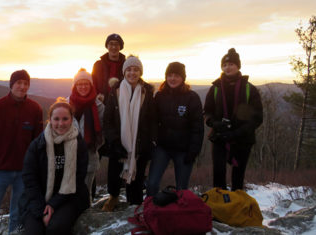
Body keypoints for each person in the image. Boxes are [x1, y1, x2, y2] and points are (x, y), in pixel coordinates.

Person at [0, 69, 43, 234]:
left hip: (24, 173)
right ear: (11, 85)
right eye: (19, 83)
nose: (22, 87)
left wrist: (34, 168)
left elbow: (38, 143)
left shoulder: (35, 109)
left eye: (25, 84)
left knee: (18, 215)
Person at [19, 98, 90, 234]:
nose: (60, 123)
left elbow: (77, 179)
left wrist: (53, 204)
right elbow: (29, 178)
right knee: (34, 231)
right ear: (50, 120)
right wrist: (42, 210)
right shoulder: (37, 145)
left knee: (56, 228)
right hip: (38, 197)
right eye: (56, 119)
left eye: (65, 119)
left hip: (69, 198)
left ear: (71, 119)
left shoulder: (79, 144)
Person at [204, 48, 263, 191]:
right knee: (218, 175)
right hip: (219, 137)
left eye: (231, 64)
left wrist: (235, 133)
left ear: (238, 66)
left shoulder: (249, 89)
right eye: (224, 65)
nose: (227, 67)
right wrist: (216, 124)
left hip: (242, 139)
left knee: (238, 176)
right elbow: (207, 112)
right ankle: (220, 206)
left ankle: (237, 206)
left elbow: (257, 118)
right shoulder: (215, 88)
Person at [102, 55, 155, 211]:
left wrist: (150, 141)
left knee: (138, 176)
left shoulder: (147, 92)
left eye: (136, 70)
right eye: (129, 70)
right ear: (124, 72)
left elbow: (152, 120)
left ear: (140, 72)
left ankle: (135, 203)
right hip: (118, 141)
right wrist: (115, 141)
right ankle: (113, 197)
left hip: (140, 142)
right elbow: (108, 119)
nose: (132, 73)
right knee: (114, 173)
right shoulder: (115, 91)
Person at [146, 62, 204, 197]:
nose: (172, 78)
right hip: (163, 148)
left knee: (182, 189)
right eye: (169, 75)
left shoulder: (192, 98)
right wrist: (153, 142)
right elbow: (153, 121)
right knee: (152, 184)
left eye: (176, 75)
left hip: (183, 150)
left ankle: (179, 214)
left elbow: (198, 127)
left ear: (183, 78)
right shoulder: (159, 96)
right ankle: (149, 210)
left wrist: (193, 151)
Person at [69, 68, 104, 202]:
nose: (83, 87)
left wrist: (94, 145)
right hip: (69, 155)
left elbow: (103, 131)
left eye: (86, 84)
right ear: (75, 86)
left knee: (86, 191)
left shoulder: (99, 106)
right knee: (69, 190)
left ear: (91, 85)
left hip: (90, 155)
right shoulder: (67, 104)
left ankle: (85, 219)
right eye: (79, 84)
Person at [92, 33, 126, 103]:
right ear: (107, 46)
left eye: (116, 44)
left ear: (120, 47)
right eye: (111, 44)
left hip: (122, 103)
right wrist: (97, 97)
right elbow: (93, 83)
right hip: (101, 103)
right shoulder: (98, 65)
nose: (114, 47)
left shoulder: (126, 65)